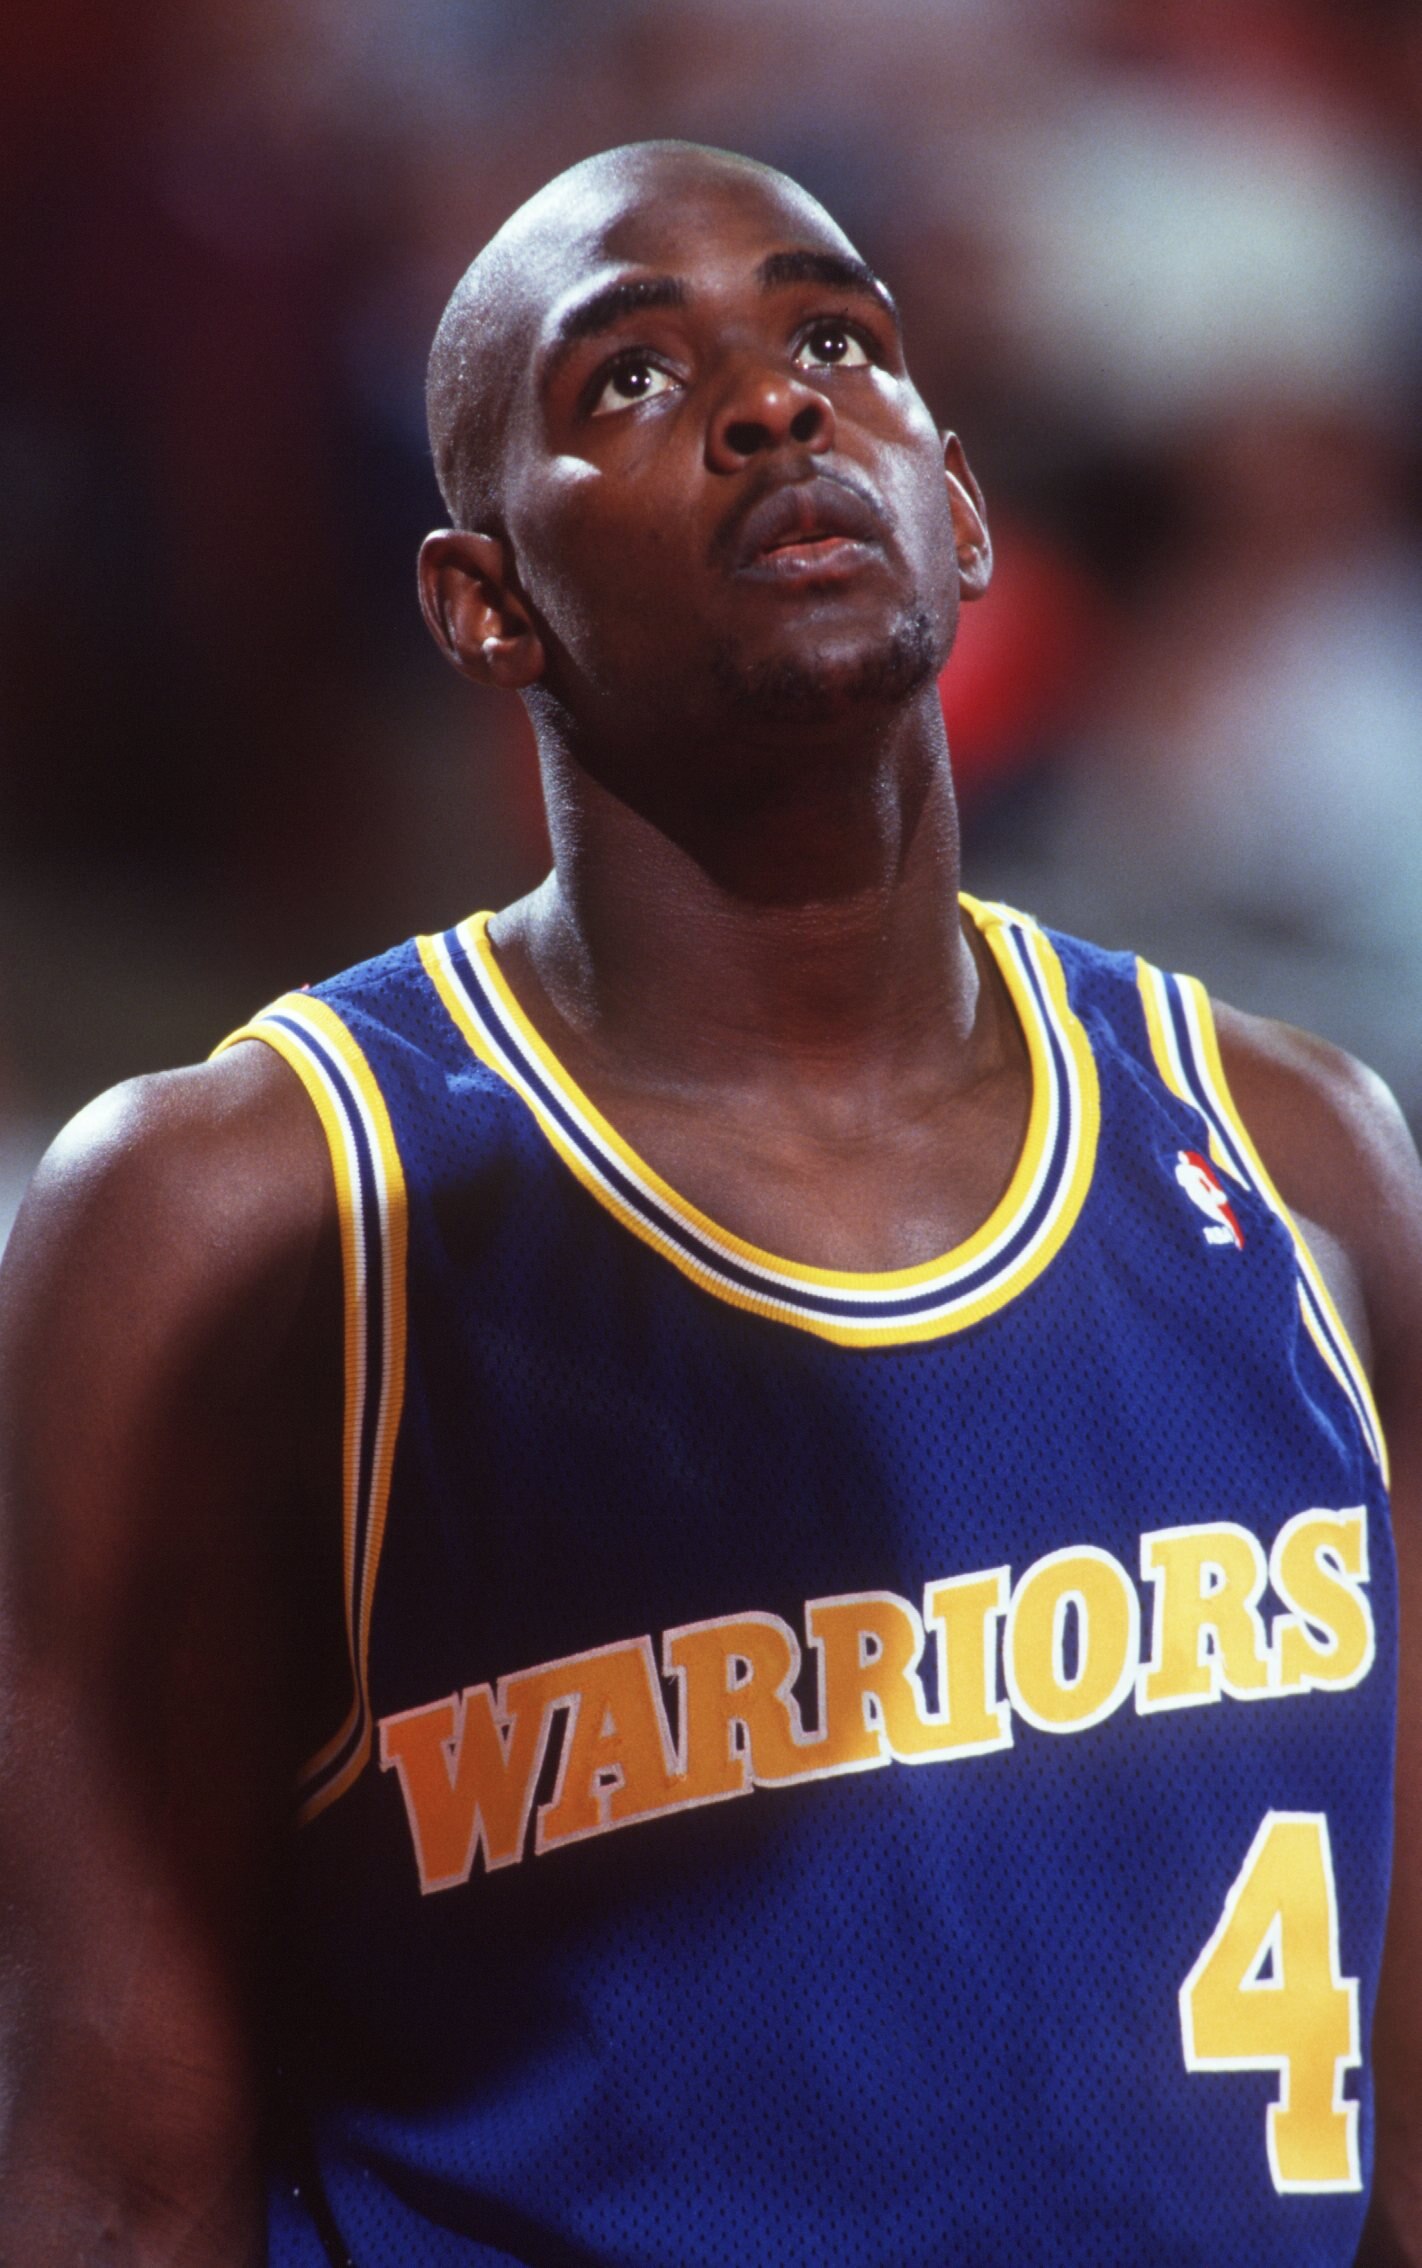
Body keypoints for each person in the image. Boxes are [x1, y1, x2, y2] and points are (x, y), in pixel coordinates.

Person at [1, 139, 1419, 2268]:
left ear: (957, 500)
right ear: (485, 604)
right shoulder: (253, 1216)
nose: (776, 403)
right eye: (632, 384)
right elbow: (119, 2179)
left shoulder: (1301, 1162)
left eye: (837, 338)